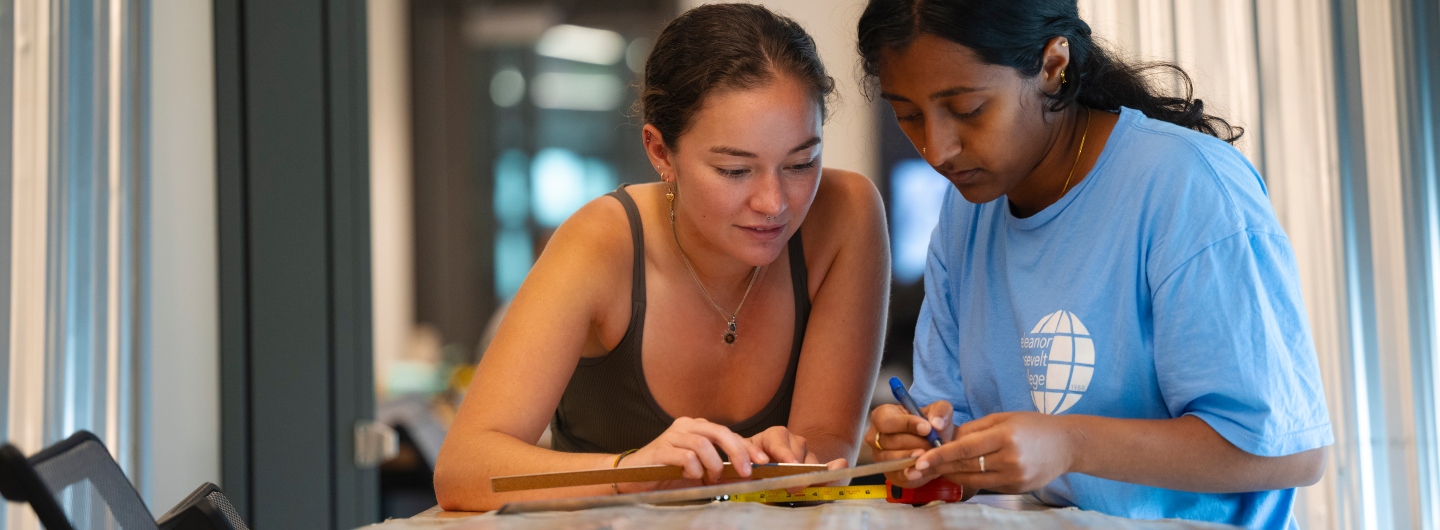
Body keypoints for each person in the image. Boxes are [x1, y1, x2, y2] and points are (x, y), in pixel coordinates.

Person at [856, 1, 1332, 528]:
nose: (937, 149)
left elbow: (1290, 452)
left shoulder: (1187, 188)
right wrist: (921, 444)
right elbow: (951, 437)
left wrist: (1070, 444)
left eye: (967, 109)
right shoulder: (965, 213)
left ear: (1053, 65)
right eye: (907, 114)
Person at [434, 3, 890, 512]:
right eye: (735, 171)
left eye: (801, 163)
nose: (775, 203)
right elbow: (463, 470)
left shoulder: (845, 215)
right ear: (659, 152)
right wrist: (630, 474)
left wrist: (788, 462)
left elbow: (828, 445)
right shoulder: (601, 243)